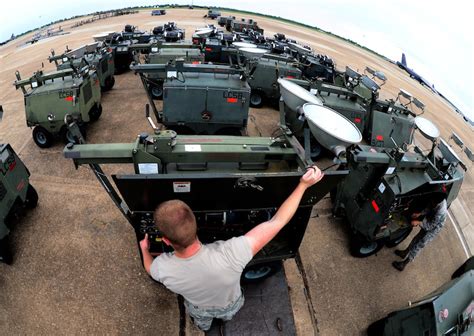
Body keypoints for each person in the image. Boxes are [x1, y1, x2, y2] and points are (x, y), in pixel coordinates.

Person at [139, 166, 324, 331]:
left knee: (202, 322)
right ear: (196, 223)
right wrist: (302, 185)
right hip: (230, 302)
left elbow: (149, 268)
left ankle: (204, 326)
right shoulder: (233, 253)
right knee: (228, 314)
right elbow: (278, 221)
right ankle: (226, 318)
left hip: (199, 308)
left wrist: (145, 249)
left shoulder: (162, 267)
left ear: (166, 240)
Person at [392, 193, 448, 271]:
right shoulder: (436, 200)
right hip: (429, 220)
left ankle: (404, 264)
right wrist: (420, 214)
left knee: (419, 244)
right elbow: (429, 208)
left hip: (433, 229)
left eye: (433, 202)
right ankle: (405, 252)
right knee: (416, 239)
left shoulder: (441, 212)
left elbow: (430, 226)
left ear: (437, 202)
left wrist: (418, 222)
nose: (431, 202)